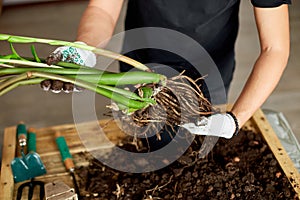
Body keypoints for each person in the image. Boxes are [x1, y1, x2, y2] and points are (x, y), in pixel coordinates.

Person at [45, 0, 291, 142]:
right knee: (143, 142)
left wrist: (235, 119)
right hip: (139, 67)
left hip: (206, 76)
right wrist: (85, 48)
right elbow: (102, 9)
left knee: (194, 151)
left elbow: (274, 48)